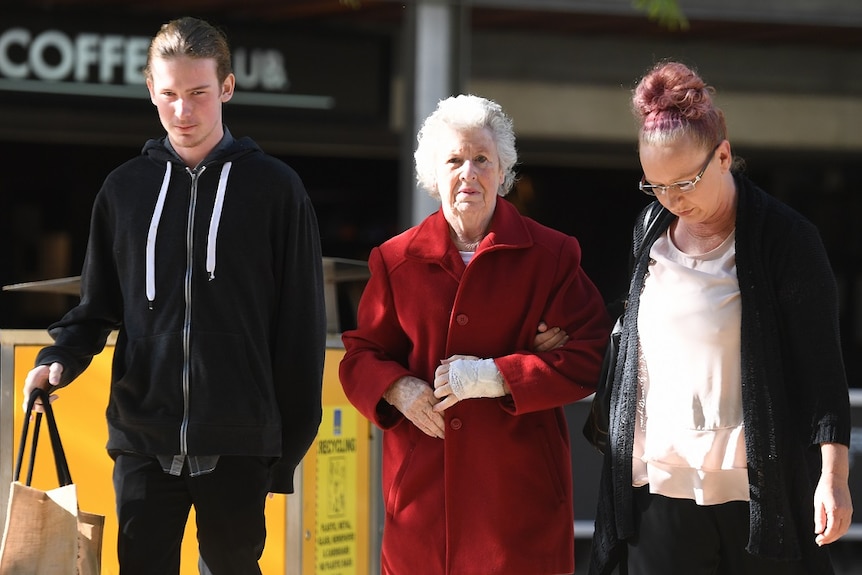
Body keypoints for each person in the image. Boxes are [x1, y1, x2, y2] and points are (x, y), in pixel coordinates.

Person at [22, 17, 326, 575]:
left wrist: (282, 453)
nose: (183, 112)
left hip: (239, 441)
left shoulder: (276, 190)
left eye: (198, 94)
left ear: (227, 88)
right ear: (150, 91)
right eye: (169, 95)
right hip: (143, 436)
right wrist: (60, 358)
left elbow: (301, 328)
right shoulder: (124, 191)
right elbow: (98, 305)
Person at [589, 61, 853, 575]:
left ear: (724, 155)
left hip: (759, 489)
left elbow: (822, 368)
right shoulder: (649, 228)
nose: (672, 200)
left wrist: (834, 478)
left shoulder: (785, 238)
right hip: (658, 484)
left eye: (684, 182)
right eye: (656, 185)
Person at [338, 94, 610, 574]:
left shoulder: (551, 255)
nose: (469, 173)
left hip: (519, 502)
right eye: (454, 160)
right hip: (423, 500)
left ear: (503, 171)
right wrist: (398, 388)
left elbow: (591, 356)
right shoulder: (395, 259)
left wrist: (494, 377)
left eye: (482, 159)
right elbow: (360, 355)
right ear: (433, 175)